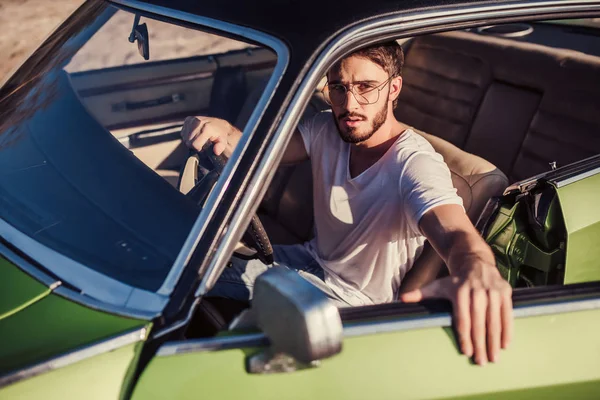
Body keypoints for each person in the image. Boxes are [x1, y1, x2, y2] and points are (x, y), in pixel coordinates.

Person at [180, 41, 512, 365]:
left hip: (351, 302)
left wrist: (478, 269)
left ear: (394, 88)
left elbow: (455, 234)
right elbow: (257, 152)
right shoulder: (326, 127)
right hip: (307, 262)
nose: (350, 104)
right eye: (339, 88)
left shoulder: (415, 164)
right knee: (186, 261)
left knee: (198, 295)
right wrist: (222, 131)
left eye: (366, 87)